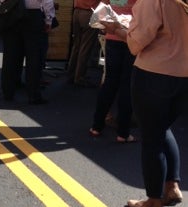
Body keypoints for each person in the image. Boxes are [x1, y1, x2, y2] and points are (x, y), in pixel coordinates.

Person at [100, 0, 188, 206]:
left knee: (151, 139)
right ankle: (172, 186)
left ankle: (153, 199)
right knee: (162, 128)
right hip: (184, 77)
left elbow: (135, 43)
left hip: (154, 75)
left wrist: (117, 29)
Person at [89, 0, 137, 143]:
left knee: (110, 82)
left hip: (112, 38)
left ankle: (96, 126)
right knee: (126, 85)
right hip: (131, 37)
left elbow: (101, 9)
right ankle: (123, 133)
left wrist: (105, 26)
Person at [0, 0, 55, 104]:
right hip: (33, 16)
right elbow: (47, 2)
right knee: (35, 58)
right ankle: (33, 95)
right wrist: (49, 20)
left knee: (10, 56)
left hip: (12, 14)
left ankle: (8, 91)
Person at [66, 0, 101, 87]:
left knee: (76, 46)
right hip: (89, 13)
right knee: (85, 47)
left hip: (77, 12)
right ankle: (79, 77)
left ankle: (71, 74)